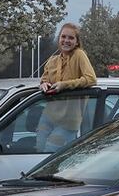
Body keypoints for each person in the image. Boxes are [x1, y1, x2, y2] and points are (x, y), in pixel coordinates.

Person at [36, 23, 97, 153]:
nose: (66, 40)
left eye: (71, 38)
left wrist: (64, 85)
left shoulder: (79, 55)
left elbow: (91, 79)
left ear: (77, 42)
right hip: (48, 116)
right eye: (63, 36)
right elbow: (44, 78)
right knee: (39, 151)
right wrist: (43, 84)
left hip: (68, 121)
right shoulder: (52, 60)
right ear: (59, 39)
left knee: (49, 153)